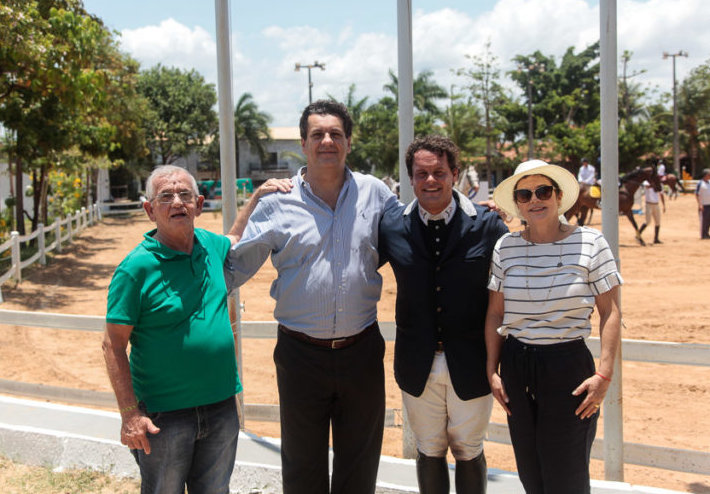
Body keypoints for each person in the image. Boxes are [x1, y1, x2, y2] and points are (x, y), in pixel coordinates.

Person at [225, 100, 398, 494]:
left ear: (348, 143)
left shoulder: (377, 194)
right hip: (300, 355)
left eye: (335, 134)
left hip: (362, 353)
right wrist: (250, 204)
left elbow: (414, 236)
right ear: (303, 144)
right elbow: (232, 266)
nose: (327, 141)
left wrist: (480, 216)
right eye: (317, 134)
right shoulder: (276, 202)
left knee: (360, 466)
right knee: (303, 470)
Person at [103, 165, 290, 494]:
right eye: (166, 196)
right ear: (149, 210)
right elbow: (113, 345)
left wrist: (259, 196)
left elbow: (237, 236)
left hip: (221, 407)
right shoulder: (135, 268)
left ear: (199, 205)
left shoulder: (209, 246)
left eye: (185, 195)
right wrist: (130, 416)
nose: (177, 202)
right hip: (164, 417)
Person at [378, 136, 508, 494]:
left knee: (469, 448)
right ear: (411, 179)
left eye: (439, 172)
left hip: (473, 361)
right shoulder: (390, 225)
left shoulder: (488, 224)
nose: (430, 180)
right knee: (429, 449)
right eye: (422, 174)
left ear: (455, 174)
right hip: (416, 361)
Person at [485, 159, 623, 494]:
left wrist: (604, 375)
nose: (535, 199)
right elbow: (495, 314)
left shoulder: (592, 242)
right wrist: (492, 370)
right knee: (531, 474)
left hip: (567, 366)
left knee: (566, 476)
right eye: (525, 194)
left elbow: (611, 311)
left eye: (543, 190)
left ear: (558, 196)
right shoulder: (506, 247)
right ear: (517, 203)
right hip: (517, 364)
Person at [639, 179, 666, 244]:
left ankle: (656, 239)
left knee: (658, 222)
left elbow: (661, 194)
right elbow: (646, 186)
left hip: (656, 204)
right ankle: (638, 234)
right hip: (649, 204)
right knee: (648, 221)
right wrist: (655, 184)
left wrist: (664, 205)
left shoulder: (658, 184)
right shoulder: (647, 182)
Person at [696, 168, 710, 239]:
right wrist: (700, 204)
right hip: (704, 204)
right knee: (704, 220)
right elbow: (697, 194)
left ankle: (707, 233)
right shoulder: (700, 183)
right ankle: (703, 235)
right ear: (706, 175)